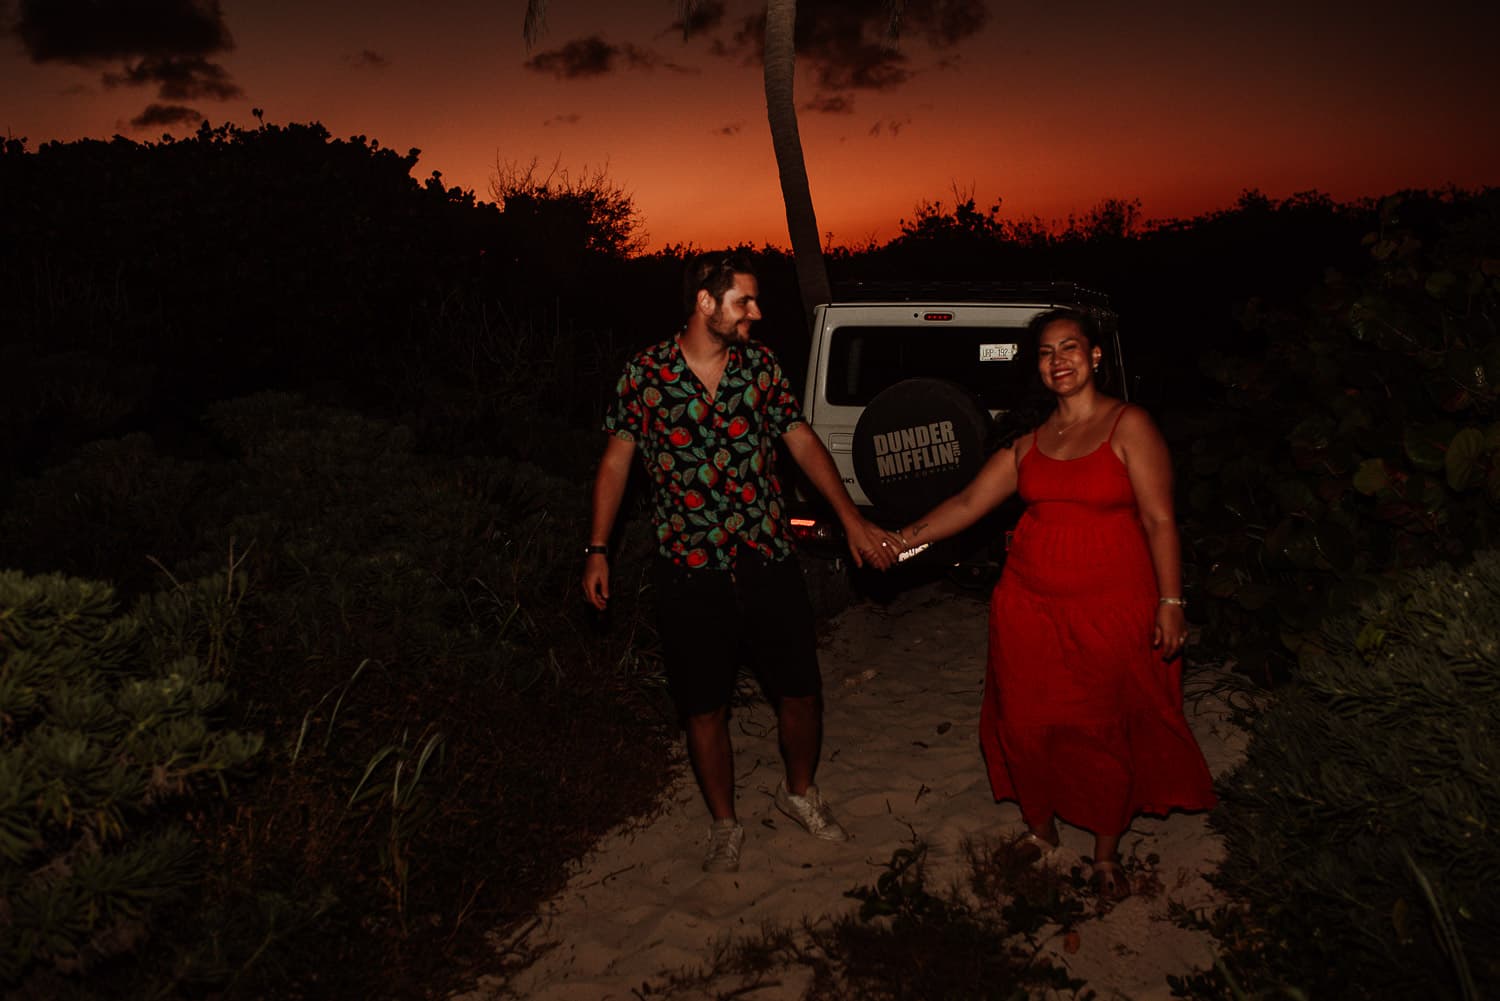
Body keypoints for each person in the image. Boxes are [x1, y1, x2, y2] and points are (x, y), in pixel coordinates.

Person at [884, 307, 1216, 899]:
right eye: (1045, 352)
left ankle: (1107, 849)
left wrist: (1171, 599)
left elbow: (1160, 518)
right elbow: (964, 506)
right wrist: (894, 542)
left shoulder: (1128, 425)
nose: (1057, 361)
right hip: (1028, 607)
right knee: (1026, 718)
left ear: (1094, 356)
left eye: (1069, 348)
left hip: (1112, 605)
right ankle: (1041, 832)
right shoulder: (1030, 443)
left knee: (1102, 725)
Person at [583, 252, 897, 873]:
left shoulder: (759, 367)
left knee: (801, 690)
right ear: (706, 303)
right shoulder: (645, 374)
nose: (757, 311)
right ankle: (724, 822)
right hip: (689, 565)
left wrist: (852, 519)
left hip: (766, 556)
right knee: (704, 706)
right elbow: (616, 463)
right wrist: (598, 548)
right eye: (744, 301)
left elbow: (799, 439)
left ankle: (800, 792)